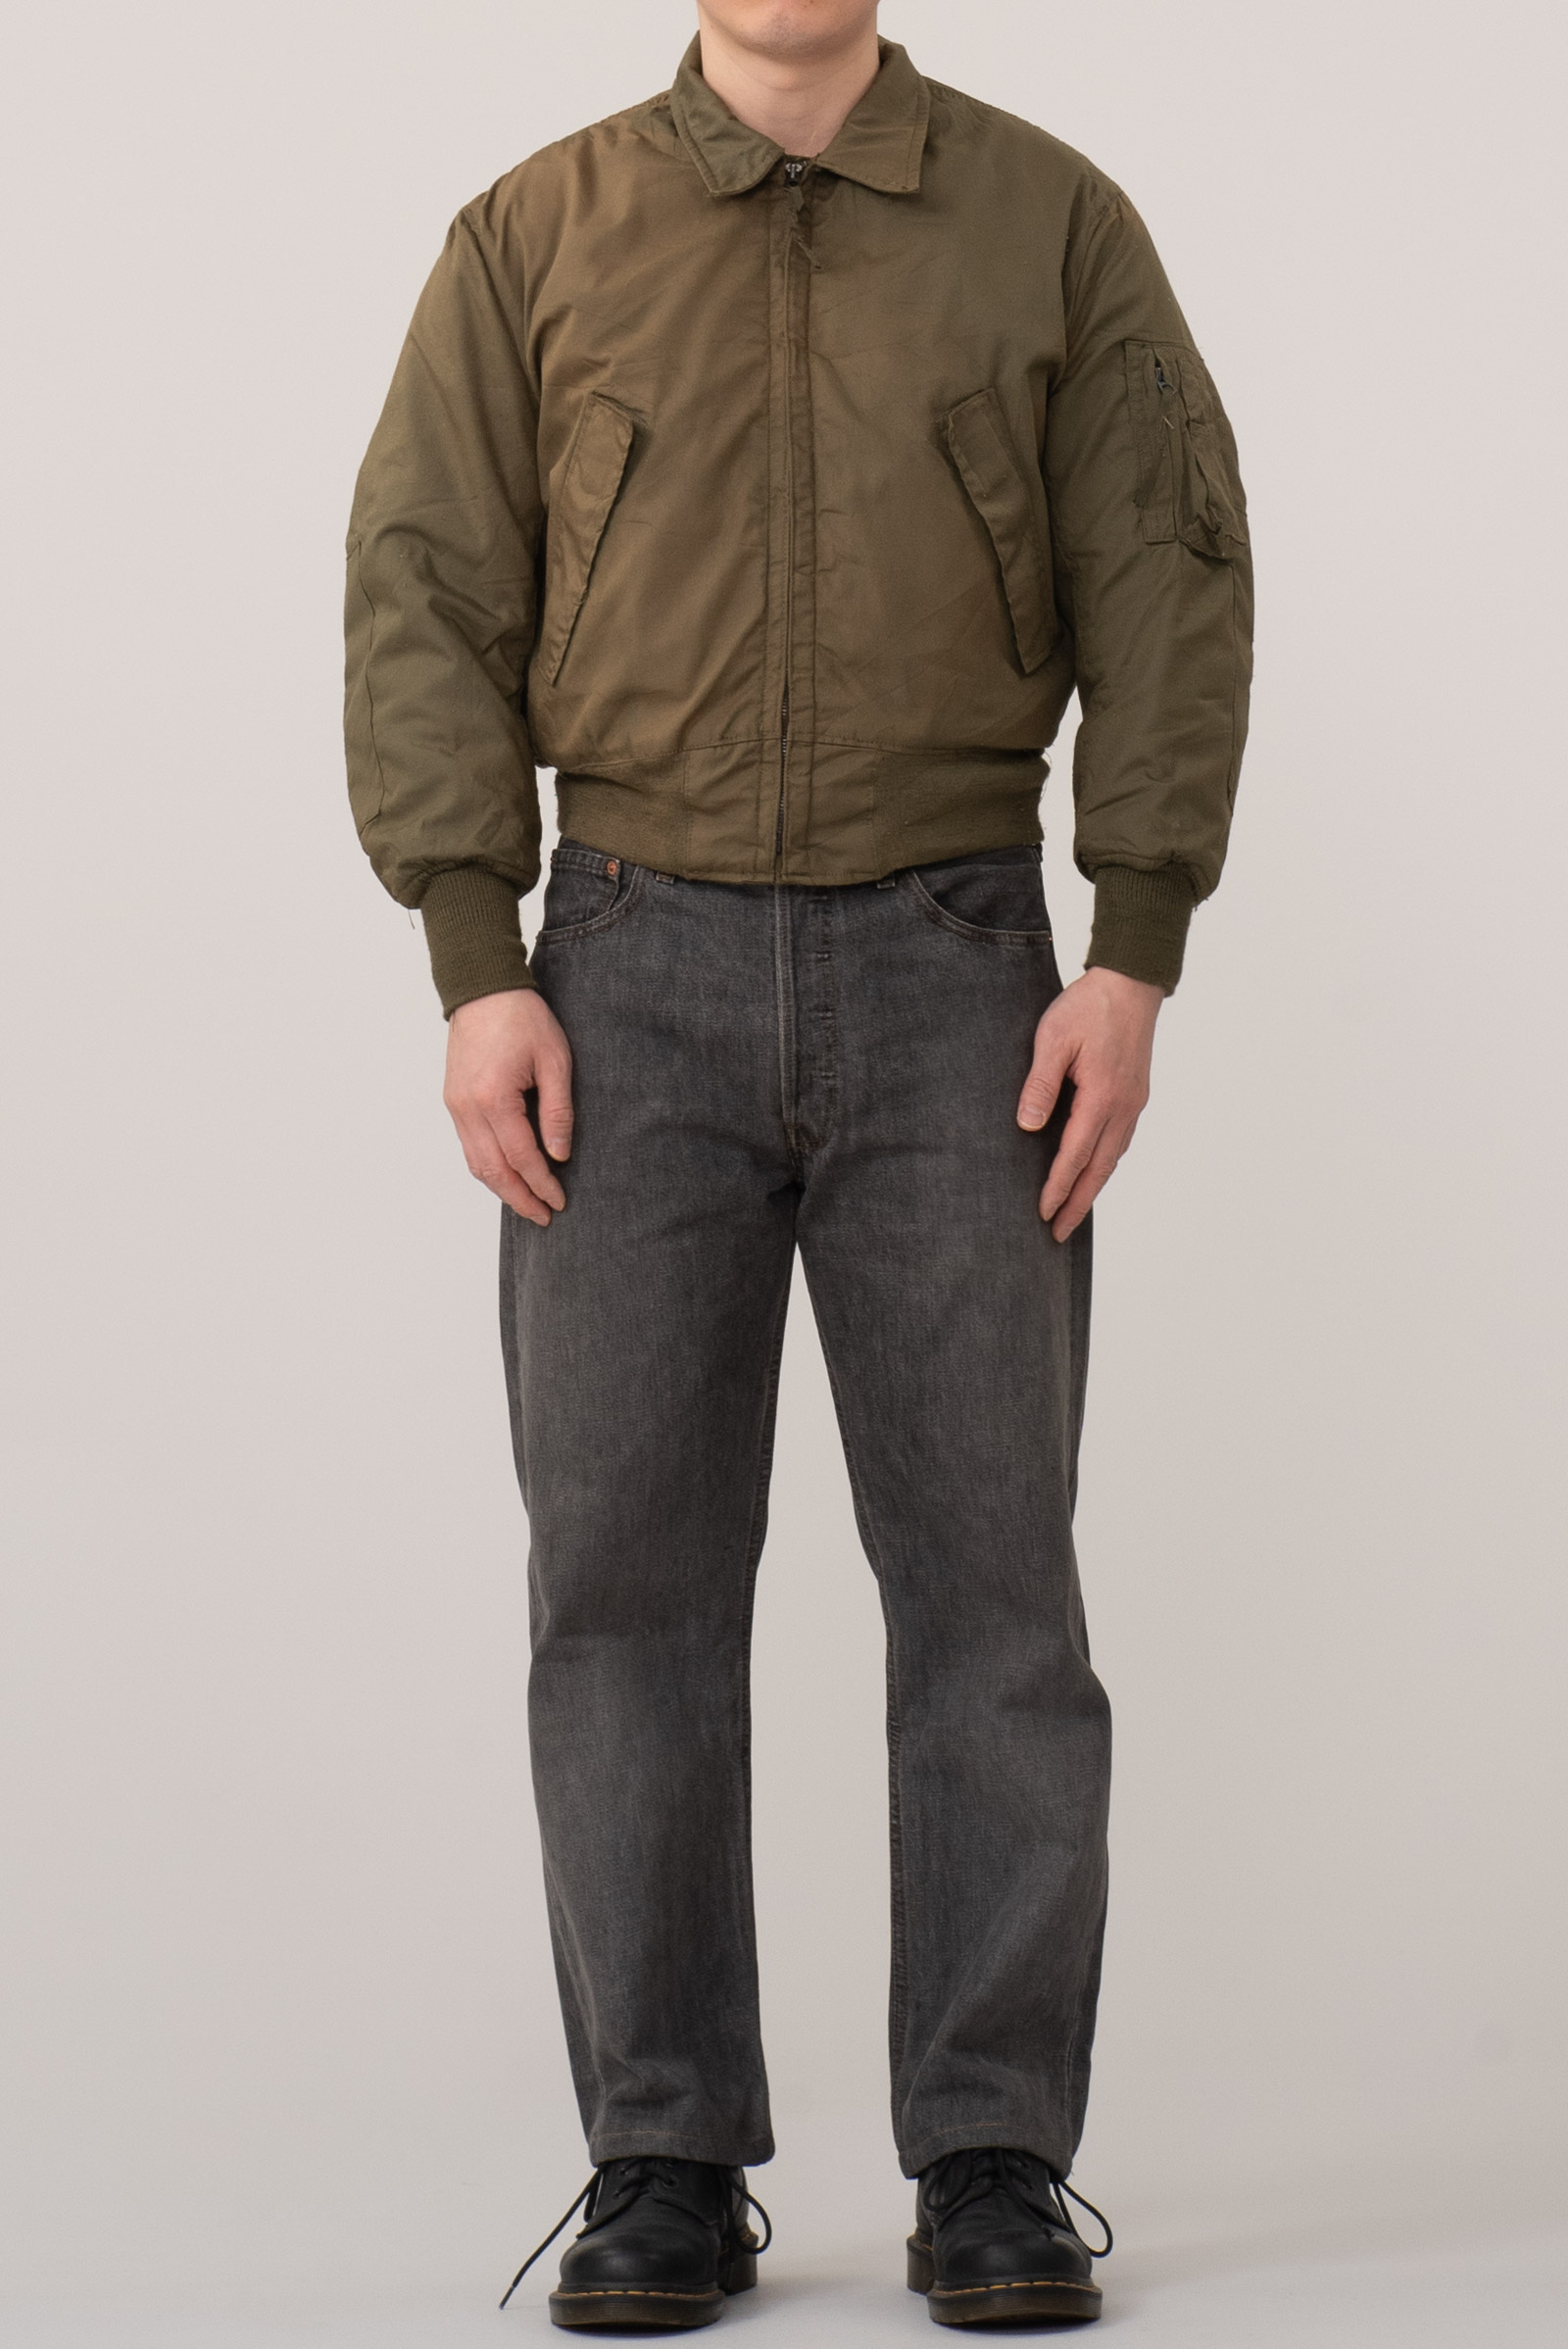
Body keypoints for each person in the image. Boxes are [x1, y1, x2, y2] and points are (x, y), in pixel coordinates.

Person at [344, 0, 1250, 2327]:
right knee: (621, 1586)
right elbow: (425, 583)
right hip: (616, 973)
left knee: (992, 1586)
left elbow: (1165, 570)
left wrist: (1129, 941)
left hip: (963, 974)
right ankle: (659, 2152)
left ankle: (990, 2152)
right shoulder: (533, 233)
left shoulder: (1046, 221)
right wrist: (474, 956)